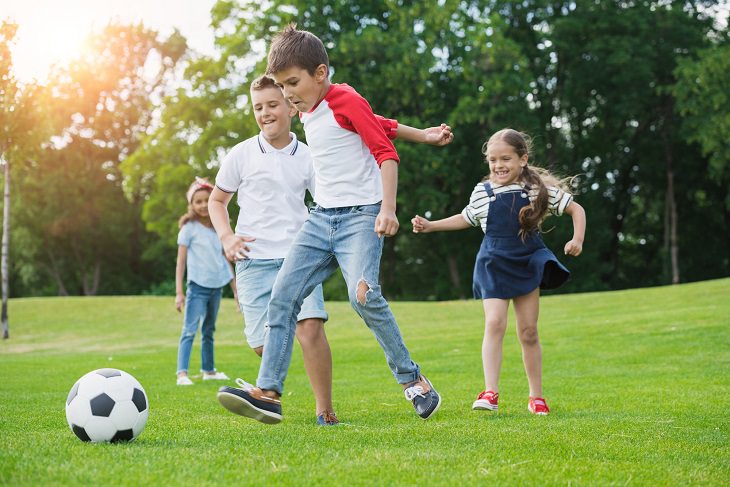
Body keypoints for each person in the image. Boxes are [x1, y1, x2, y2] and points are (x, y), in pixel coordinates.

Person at [215, 25, 452, 424]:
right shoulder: (311, 108)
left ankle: (414, 381)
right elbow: (381, 122)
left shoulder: (344, 97)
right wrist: (425, 136)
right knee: (283, 296)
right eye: (282, 86)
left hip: (361, 217)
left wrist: (388, 209)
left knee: (363, 297)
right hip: (321, 219)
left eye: (293, 83)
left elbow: (385, 151)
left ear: (320, 73)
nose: (287, 94)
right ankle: (268, 393)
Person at [412, 128, 586, 415]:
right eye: (492, 160)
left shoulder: (537, 190)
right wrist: (431, 225)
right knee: (494, 324)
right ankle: (490, 392)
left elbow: (576, 209)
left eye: (505, 158)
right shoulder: (483, 192)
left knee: (528, 331)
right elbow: (465, 218)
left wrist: (576, 239)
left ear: (523, 159)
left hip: (527, 259)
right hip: (493, 262)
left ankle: (536, 397)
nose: (498, 165)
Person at [175, 177, 236, 386]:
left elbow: (225, 259)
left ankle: (208, 371)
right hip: (197, 288)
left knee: (209, 330)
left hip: (216, 288)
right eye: (197, 201)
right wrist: (179, 292)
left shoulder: (218, 229)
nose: (202, 205)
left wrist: (235, 290)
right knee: (190, 329)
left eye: (206, 200)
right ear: (191, 205)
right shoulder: (189, 229)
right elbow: (180, 263)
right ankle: (182, 373)